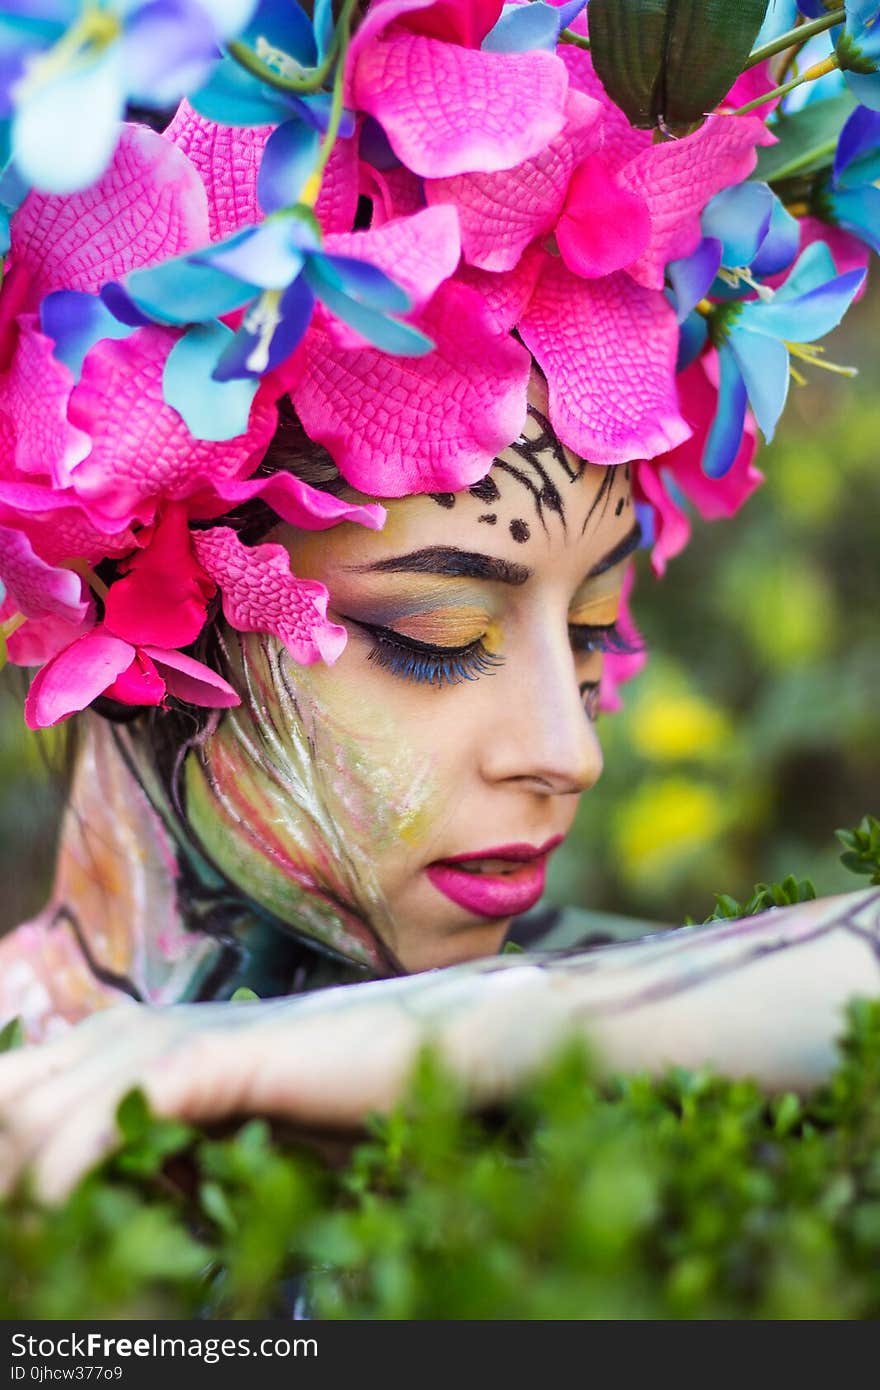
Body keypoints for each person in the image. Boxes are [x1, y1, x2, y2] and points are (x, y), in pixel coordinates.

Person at [0, 0, 878, 1201]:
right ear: (116, 567)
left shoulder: (605, 1028)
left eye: (589, 636)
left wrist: (449, 1032)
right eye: (438, 638)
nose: (566, 753)